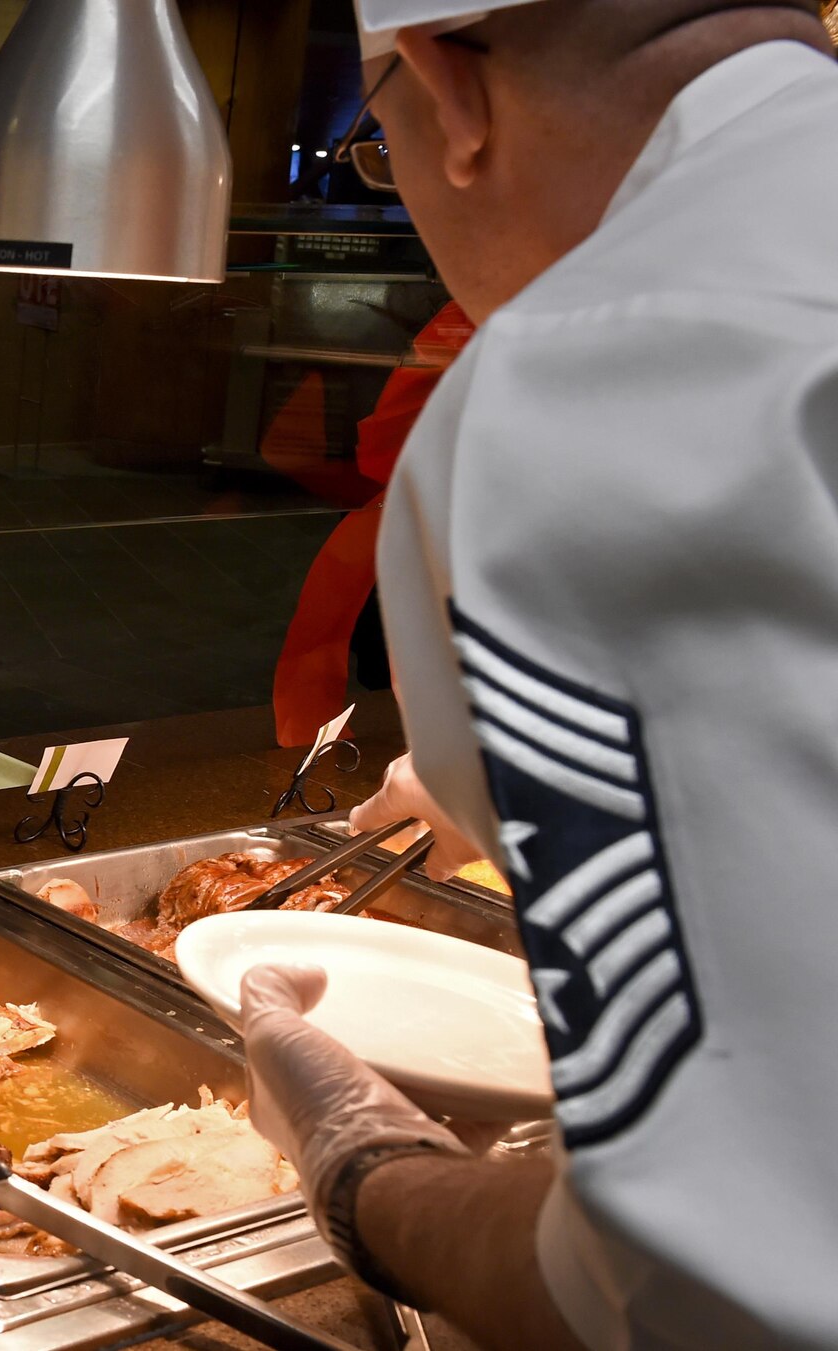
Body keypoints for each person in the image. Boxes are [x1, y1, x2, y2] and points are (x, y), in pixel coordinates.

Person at [237, 3, 838, 1349]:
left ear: (448, 92)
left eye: (376, 146)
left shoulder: (595, 374)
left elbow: (675, 1301)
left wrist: (361, 1164)